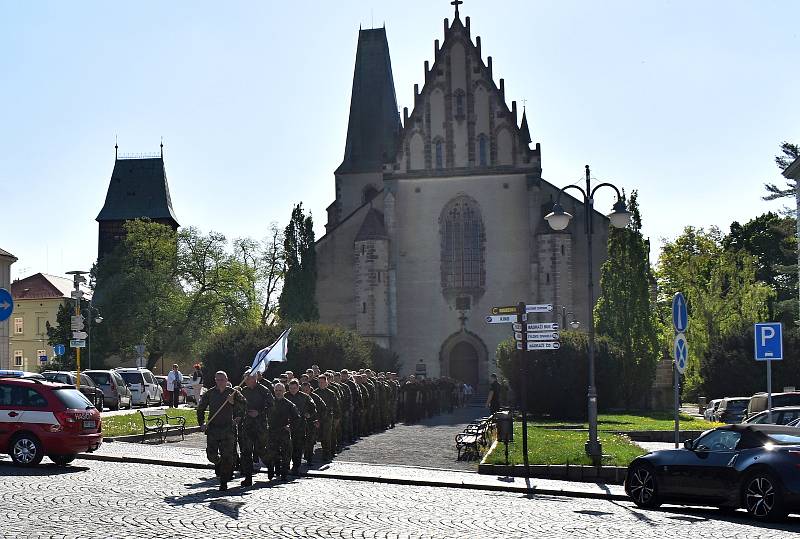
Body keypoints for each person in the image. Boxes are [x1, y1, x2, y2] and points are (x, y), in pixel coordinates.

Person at [197, 371, 247, 492]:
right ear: (215, 380)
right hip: (213, 428)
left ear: (226, 380)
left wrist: (233, 403)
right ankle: (218, 462)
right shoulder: (210, 393)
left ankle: (223, 482)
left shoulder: (233, 393)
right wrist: (202, 423)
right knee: (211, 455)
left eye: (222, 379)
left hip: (228, 429)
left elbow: (244, 405)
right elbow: (200, 409)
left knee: (228, 457)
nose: (220, 382)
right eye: (218, 379)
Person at [239, 369, 273, 487]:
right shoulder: (243, 391)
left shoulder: (264, 390)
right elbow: (239, 405)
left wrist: (259, 412)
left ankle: (270, 465)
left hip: (260, 425)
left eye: (247, 378)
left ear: (254, 378)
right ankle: (248, 478)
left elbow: (271, 405)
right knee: (246, 452)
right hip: (247, 425)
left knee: (260, 450)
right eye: (245, 378)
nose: (246, 381)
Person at [266, 382, 300, 480]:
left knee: (286, 454)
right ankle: (272, 472)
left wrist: (291, 426)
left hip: (284, 432)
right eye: (276, 390)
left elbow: (297, 418)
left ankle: (284, 473)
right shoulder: (269, 403)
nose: (278, 392)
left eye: (280, 390)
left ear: (284, 391)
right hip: (271, 431)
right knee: (272, 453)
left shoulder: (289, 404)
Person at [285, 379, 317, 475]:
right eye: (291, 388)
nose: (293, 390)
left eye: (295, 388)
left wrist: (309, 414)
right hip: (287, 425)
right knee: (286, 447)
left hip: (300, 425)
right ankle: (285, 465)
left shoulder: (305, 397)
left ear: (298, 388)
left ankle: (296, 466)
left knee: (298, 447)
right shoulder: (285, 396)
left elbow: (313, 408)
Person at [313, 374, 340, 462]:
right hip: (318, 417)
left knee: (328, 435)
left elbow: (336, 405)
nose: (321, 384)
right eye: (319, 382)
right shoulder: (315, 393)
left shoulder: (331, 393)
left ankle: (327, 453)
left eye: (323, 382)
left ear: (326, 383)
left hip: (328, 417)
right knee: (319, 435)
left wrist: (337, 417)